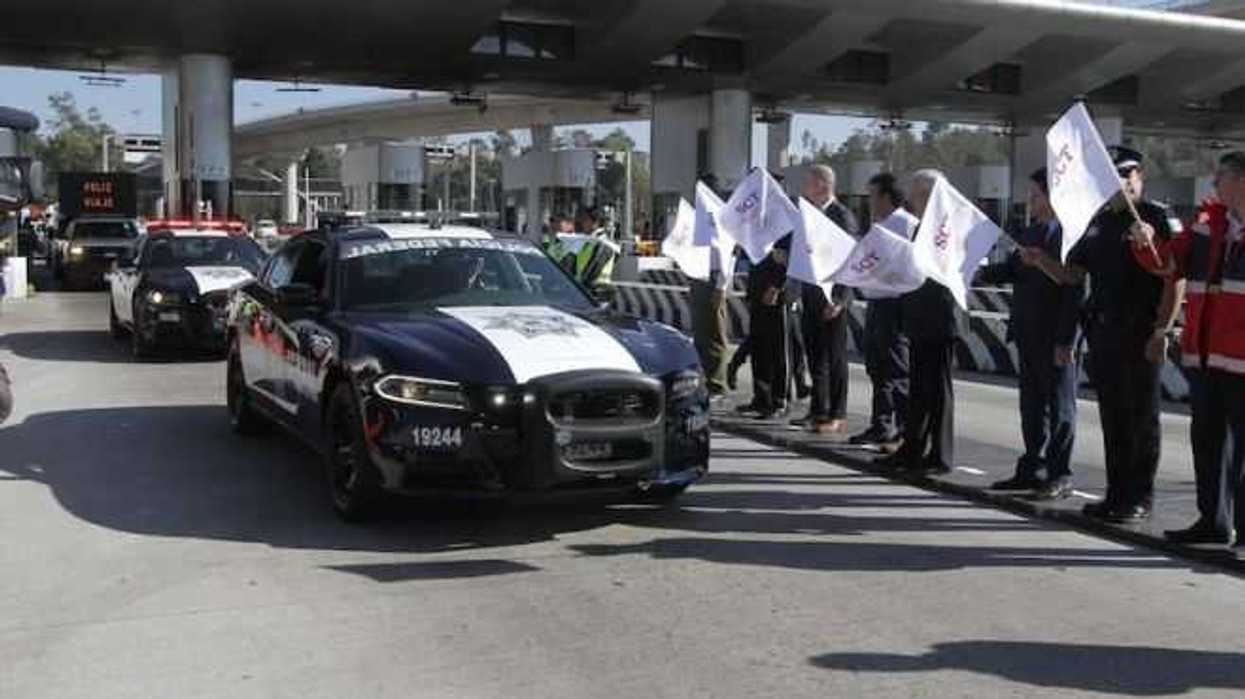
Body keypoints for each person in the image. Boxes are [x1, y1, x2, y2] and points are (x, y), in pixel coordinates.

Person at [1029, 146, 1185, 523]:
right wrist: (1042, 262)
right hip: (1104, 332)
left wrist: (1163, 330)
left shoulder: (1157, 218)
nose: (1120, 186)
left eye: (1126, 177)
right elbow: (1073, 275)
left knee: (1141, 419)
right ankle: (1115, 494)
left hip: (1140, 330)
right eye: (1112, 179)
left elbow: (1175, 276)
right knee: (1113, 417)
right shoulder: (1099, 222)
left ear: (1139, 178)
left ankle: (1140, 497)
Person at [1130, 151, 1245, 547]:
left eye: (1222, 178)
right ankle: (1212, 520)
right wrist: (1145, 244)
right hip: (1206, 355)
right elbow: (1167, 265)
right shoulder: (1204, 227)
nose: (1214, 186)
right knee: (1208, 443)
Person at [978, 168, 1085, 500]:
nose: (1031, 201)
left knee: (1061, 408)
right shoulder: (1030, 233)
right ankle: (1031, 468)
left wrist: (1067, 340)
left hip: (1056, 336)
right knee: (1032, 407)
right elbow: (1011, 270)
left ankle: (1059, 473)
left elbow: (1075, 292)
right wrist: (973, 270)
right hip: (1027, 332)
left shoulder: (1071, 237)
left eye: (1036, 195)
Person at [877, 170, 962, 475]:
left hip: (940, 316)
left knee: (939, 390)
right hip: (917, 314)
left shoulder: (948, 227)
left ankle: (940, 455)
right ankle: (912, 449)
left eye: (916, 193)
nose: (911, 199)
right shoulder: (919, 228)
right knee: (919, 389)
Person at [792, 165, 859, 434]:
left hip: (833, 298)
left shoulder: (841, 215)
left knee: (834, 357)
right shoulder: (810, 215)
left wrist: (841, 298)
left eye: (808, 182)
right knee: (815, 356)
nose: (805, 187)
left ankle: (837, 412)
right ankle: (818, 409)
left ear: (822, 184)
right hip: (811, 294)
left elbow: (850, 258)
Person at [850, 173, 915, 452]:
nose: (870, 203)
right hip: (877, 301)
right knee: (876, 366)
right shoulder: (880, 225)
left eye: (873, 196)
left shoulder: (906, 225)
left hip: (895, 303)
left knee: (894, 368)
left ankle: (901, 428)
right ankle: (881, 424)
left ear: (887, 197)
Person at [738, 235, 792, 419]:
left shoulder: (785, 217)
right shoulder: (758, 222)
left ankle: (779, 400)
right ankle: (761, 397)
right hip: (757, 288)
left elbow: (787, 259)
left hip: (775, 292)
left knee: (778, 349)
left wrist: (777, 286)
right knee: (759, 347)